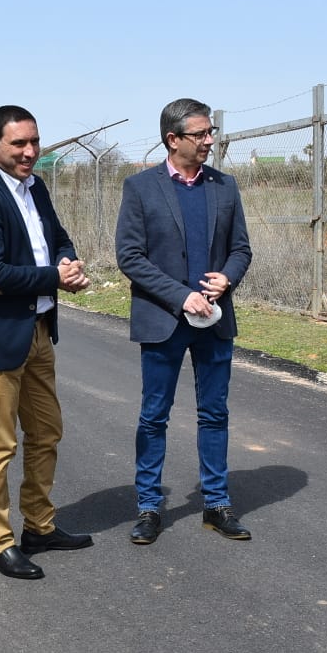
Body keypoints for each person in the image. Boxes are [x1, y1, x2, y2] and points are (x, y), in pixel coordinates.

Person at [0, 105, 94, 580]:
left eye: (34, 142)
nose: (30, 152)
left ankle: (40, 526)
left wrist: (67, 261)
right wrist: (56, 277)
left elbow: (58, 237)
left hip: (37, 332)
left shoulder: (36, 187)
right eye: (18, 144)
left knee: (47, 432)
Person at [115, 98, 253, 546]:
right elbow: (130, 256)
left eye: (211, 132)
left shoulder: (224, 186)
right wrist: (182, 296)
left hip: (214, 320)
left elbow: (241, 249)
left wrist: (227, 277)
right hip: (164, 321)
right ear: (173, 139)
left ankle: (216, 504)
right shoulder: (140, 188)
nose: (210, 140)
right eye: (201, 134)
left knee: (215, 414)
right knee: (154, 416)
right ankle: (149, 507)